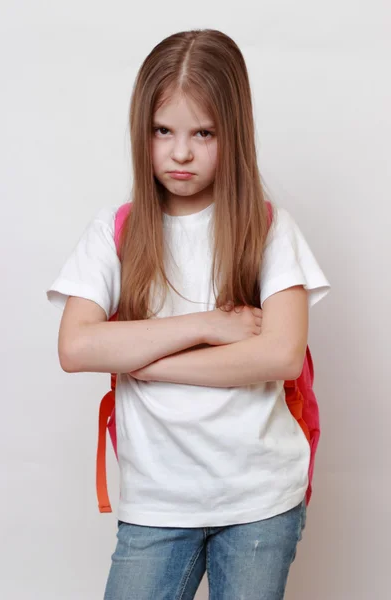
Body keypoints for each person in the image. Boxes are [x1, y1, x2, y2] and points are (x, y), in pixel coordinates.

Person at [47, 28, 330, 600]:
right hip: (157, 500)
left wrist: (148, 361)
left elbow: (279, 353)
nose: (180, 152)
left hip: (259, 496)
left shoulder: (268, 229)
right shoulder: (115, 232)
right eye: (163, 131)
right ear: (142, 133)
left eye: (204, 133)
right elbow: (76, 347)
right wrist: (206, 326)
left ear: (235, 134)